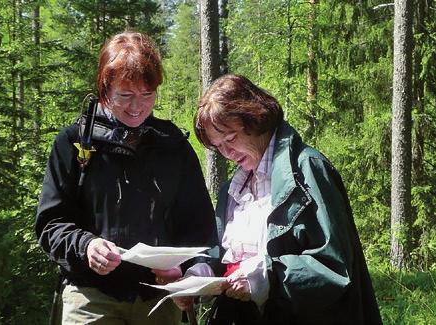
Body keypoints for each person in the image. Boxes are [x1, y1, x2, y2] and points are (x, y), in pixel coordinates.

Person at [34, 31, 217, 324]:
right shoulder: (74, 143)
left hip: (159, 297)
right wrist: (86, 246)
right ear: (105, 89)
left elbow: (199, 226)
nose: (137, 107)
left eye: (147, 95)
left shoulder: (173, 146)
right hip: (90, 295)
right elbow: (50, 224)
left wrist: (190, 270)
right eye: (126, 95)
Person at [179, 74, 382, 324]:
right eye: (218, 146)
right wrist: (202, 273)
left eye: (231, 139)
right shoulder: (233, 190)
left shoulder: (307, 171)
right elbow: (226, 256)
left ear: (256, 120)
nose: (227, 153)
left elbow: (333, 267)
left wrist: (268, 277)